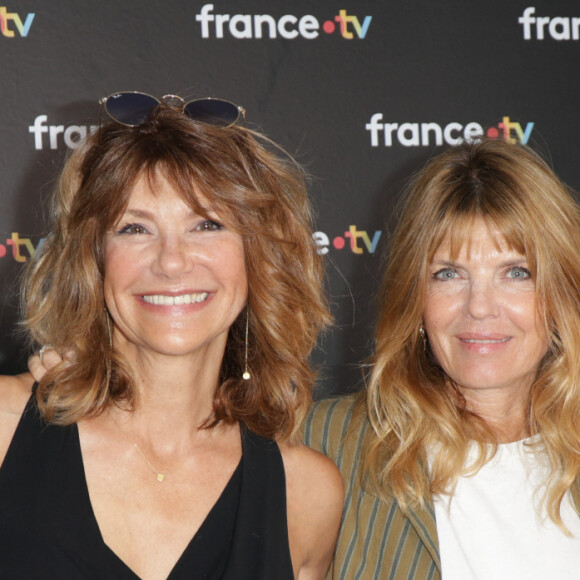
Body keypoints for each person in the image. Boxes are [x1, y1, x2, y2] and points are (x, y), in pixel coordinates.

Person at [2, 92, 343, 580]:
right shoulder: (5, 428)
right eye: (134, 229)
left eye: (207, 224)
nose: (172, 261)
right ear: (93, 259)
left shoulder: (305, 494)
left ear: (258, 256)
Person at [304, 138, 580, 579]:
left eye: (516, 273)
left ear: (563, 294)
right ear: (415, 297)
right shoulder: (327, 444)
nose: (480, 306)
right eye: (448, 274)